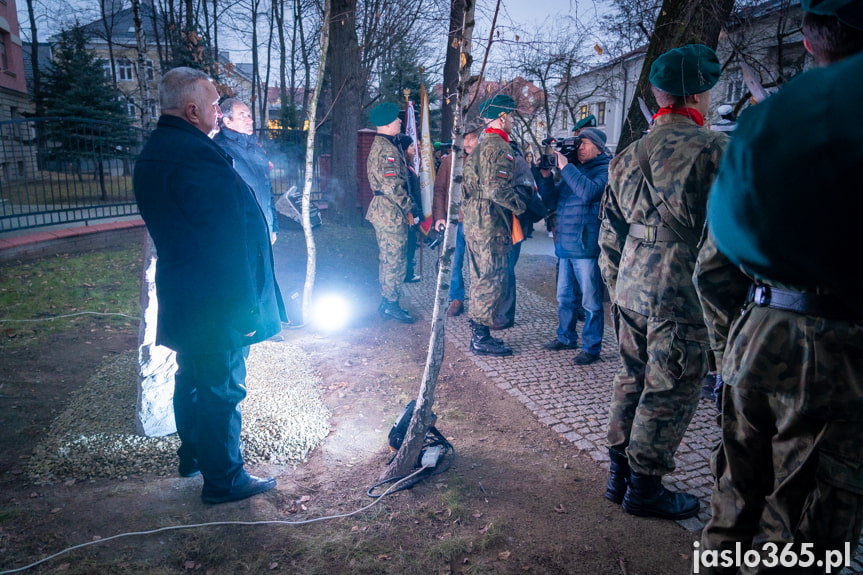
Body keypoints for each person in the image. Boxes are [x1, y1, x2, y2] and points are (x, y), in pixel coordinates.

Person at [696, 1, 863, 569]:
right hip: (841, 355)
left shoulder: (770, 118)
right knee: (802, 529)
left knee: (735, 498)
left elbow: (714, 267)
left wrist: (730, 351)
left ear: (811, 40)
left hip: (757, 333)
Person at [133, 67, 286, 504]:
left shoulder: (161, 150)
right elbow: (225, 242)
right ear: (193, 108)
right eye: (216, 104)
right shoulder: (195, 154)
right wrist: (246, 309)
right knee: (221, 387)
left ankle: (195, 456)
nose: (220, 112)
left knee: (195, 379)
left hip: (188, 291)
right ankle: (225, 480)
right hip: (217, 299)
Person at [598, 44, 727, 519]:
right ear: (701, 95)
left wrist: (617, 286)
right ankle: (645, 490)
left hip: (631, 287)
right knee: (668, 389)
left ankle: (617, 477)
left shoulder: (628, 154)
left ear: (657, 93)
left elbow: (607, 234)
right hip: (683, 293)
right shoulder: (717, 151)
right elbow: (726, 240)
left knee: (630, 379)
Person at [538, 127, 611, 366]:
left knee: (590, 301)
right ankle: (566, 337)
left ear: (598, 147)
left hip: (587, 246)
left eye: (584, 144)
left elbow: (589, 193)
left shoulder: (605, 169)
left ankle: (591, 348)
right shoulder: (575, 171)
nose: (579, 148)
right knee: (565, 297)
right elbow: (551, 201)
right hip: (566, 246)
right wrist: (546, 175)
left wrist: (566, 167)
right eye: (578, 144)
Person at [462, 95, 526, 356]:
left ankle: (481, 333)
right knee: (492, 277)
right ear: (502, 117)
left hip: (476, 218)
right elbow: (496, 189)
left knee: (480, 276)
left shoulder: (479, 146)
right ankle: (480, 338)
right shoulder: (499, 147)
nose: (512, 121)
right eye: (510, 116)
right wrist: (521, 206)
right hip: (490, 220)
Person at [365, 102, 415, 324]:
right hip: (390, 211)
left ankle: (387, 302)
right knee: (394, 259)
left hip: (387, 210)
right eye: (396, 119)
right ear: (386, 123)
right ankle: (391, 304)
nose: (400, 121)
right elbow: (392, 186)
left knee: (389, 258)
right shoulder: (386, 151)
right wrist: (409, 208)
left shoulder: (386, 145)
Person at [492, 139, 546, 330]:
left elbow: (525, 192)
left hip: (512, 224)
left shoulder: (518, 162)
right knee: (499, 269)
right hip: (497, 225)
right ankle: (496, 311)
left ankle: (505, 316)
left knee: (507, 269)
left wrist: (508, 204)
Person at [433, 120, 482, 318]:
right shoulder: (449, 161)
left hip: (478, 222)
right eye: (465, 139)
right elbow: (439, 190)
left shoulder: (483, 159)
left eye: (473, 138)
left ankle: (480, 301)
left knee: (478, 265)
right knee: (453, 263)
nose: (469, 143)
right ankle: (456, 298)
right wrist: (438, 217)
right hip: (455, 221)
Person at [213, 98, 279, 245]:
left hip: (263, 231)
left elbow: (267, 191)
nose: (250, 120)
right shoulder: (218, 151)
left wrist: (272, 226)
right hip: (238, 237)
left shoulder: (256, 149)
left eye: (249, 115)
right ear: (227, 121)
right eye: (242, 116)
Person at [394, 134, 422, 283]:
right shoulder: (404, 169)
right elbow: (408, 192)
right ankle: (407, 273)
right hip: (409, 212)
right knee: (409, 243)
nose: (414, 149)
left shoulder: (408, 166)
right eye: (411, 146)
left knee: (411, 243)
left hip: (413, 211)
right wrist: (415, 212)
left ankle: (408, 271)